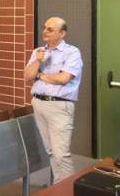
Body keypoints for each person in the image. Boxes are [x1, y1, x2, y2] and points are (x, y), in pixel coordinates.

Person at [24, 17, 83, 183]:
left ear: (62, 33)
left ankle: (67, 191)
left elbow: (64, 78)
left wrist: (41, 75)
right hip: (39, 103)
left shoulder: (72, 52)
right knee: (50, 151)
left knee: (61, 154)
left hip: (59, 106)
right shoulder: (38, 52)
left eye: (50, 29)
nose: (44, 32)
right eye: (44, 28)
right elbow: (28, 76)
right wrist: (37, 61)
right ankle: (58, 188)